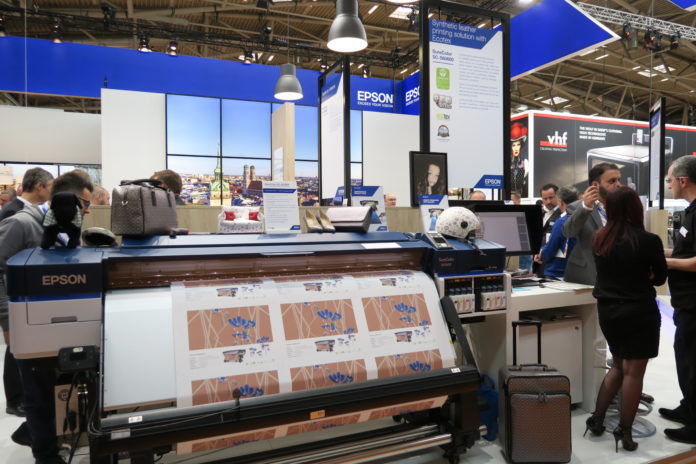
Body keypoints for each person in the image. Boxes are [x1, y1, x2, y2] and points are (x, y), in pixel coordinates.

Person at [4, 171, 93, 464]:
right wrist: (7, 314)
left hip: (63, 323)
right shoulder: (21, 223)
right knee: (38, 393)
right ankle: (44, 453)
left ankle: (33, 432)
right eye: (84, 204)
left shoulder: (67, 225)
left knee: (57, 388)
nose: (87, 210)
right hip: (30, 323)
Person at [584, 186, 666, 452]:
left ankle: (597, 420)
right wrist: (646, 274)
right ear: (636, 209)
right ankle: (625, 430)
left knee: (618, 365)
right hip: (639, 311)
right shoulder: (649, 240)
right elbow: (660, 278)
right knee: (634, 372)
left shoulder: (599, 238)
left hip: (609, 312)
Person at [0, 167, 53, 419]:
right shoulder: (15, 213)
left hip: (24, 292)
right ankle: (15, 398)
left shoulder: (35, 213)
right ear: (40, 186)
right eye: (50, 186)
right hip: (11, 291)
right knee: (16, 346)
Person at [660, 155, 696, 444]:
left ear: (683, 180)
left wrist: (666, 263)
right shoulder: (690, 212)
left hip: (694, 303)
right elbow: (686, 252)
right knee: (685, 358)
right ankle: (689, 408)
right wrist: (657, 252)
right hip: (685, 302)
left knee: (691, 362)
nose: (668, 184)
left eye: (670, 180)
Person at [563, 162, 622, 284]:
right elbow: (569, 232)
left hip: (618, 272)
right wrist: (586, 207)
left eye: (619, 180)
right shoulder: (577, 207)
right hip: (588, 274)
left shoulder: (623, 206)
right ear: (595, 185)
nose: (618, 185)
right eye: (612, 181)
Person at [534, 186, 578, 279]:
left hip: (557, 269)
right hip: (574, 268)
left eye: (551, 198)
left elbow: (552, 245)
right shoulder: (585, 218)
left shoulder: (562, 221)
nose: (548, 201)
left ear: (560, 201)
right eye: (545, 198)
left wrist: (542, 255)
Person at [510, 121, 529, 197]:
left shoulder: (525, 162)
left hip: (521, 195)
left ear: (521, 146)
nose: (516, 148)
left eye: (518, 145)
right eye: (513, 145)